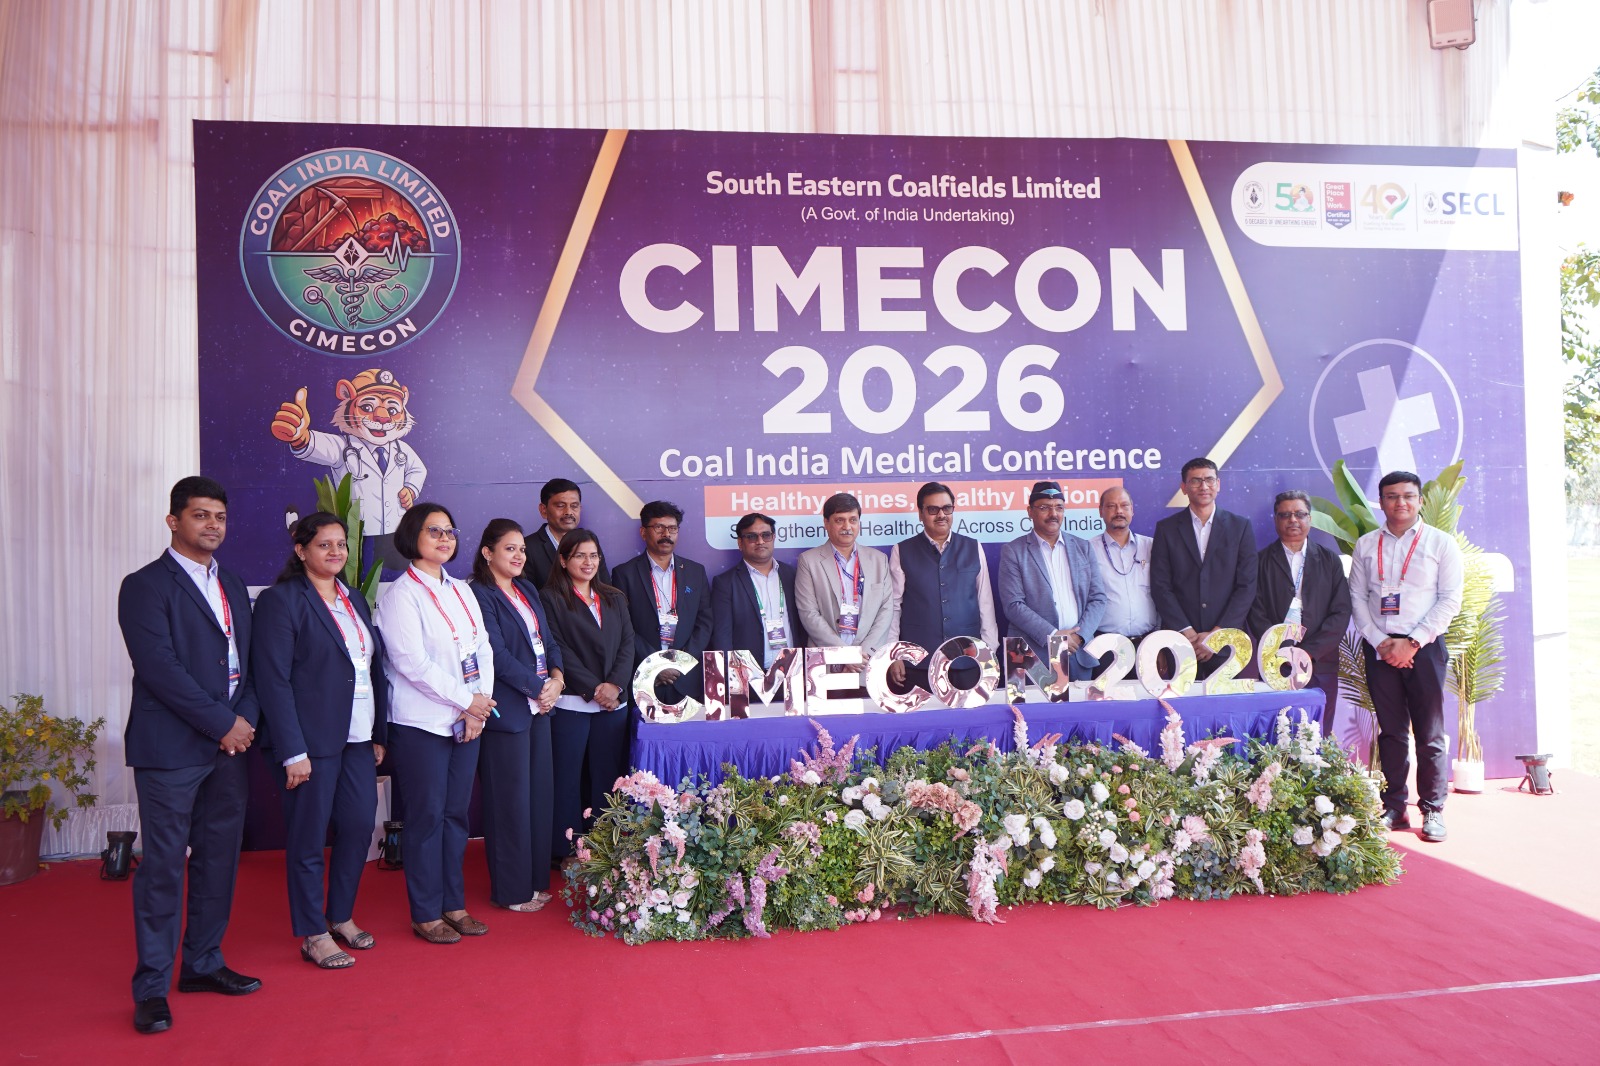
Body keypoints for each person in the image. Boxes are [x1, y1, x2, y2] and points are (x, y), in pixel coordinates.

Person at [118, 476, 261, 1035]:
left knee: (218, 860)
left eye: (220, 516)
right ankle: (151, 987)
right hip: (171, 749)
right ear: (174, 521)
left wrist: (242, 721)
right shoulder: (144, 585)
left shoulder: (233, 582)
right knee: (162, 867)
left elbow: (247, 663)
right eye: (201, 515)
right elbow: (159, 669)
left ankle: (202, 963)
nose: (212, 525)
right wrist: (223, 723)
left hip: (230, 747)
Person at [253, 513, 388, 969]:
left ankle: (340, 916)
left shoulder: (354, 599)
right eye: (324, 544)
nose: (335, 552)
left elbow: (370, 668)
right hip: (310, 742)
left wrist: (378, 733)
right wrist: (292, 750)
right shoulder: (281, 601)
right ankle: (313, 933)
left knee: (359, 826)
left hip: (358, 736)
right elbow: (273, 680)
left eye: (341, 544)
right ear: (301, 550)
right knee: (309, 837)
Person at [374, 503, 497, 944]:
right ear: (412, 536)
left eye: (449, 531)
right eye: (434, 531)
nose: (445, 539)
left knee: (455, 816)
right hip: (421, 724)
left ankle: (453, 904)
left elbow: (483, 648)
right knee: (426, 817)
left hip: (467, 720)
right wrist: (467, 701)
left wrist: (477, 706)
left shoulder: (462, 590)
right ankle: (425, 912)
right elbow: (412, 664)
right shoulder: (400, 596)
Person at [1349, 471, 1463, 842]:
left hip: (1424, 649)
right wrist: (1381, 641)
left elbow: (1450, 600)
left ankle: (1432, 809)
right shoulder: (1366, 545)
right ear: (1381, 501)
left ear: (1420, 501)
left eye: (1408, 496)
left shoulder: (1441, 543)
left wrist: (1411, 642)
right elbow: (1358, 598)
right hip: (1380, 649)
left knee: (1430, 733)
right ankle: (1394, 807)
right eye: (1392, 496)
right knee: (1392, 732)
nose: (1401, 502)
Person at [470, 519, 567, 912]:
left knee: (538, 799)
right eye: (509, 548)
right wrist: (538, 687)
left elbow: (549, 640)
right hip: (508, 711)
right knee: (508, 804)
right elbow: (495, 654)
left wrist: (558, 679)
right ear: (487, 552)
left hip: (540, 709)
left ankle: (534, 882)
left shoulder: (527, 589)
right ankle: (512, 892)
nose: (518, 556)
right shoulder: (479, 594)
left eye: (522, 549)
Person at [541, 529, 633, 859]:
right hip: (572, 703)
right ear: (563, 560)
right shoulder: (549, 598)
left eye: (593, 555)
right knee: (566, 780)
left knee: (609, 779)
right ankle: (567, 850)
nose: (588, 562)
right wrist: (595, 688)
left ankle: (607, 848)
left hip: (612, 705)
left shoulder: (614, 597)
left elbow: (628, 643)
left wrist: (615, 685)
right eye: (579, 555)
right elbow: (557, 648)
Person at [1248, 490, 1352, 734]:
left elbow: (1341, 612)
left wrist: (1308, 652)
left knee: (1318, 732)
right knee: (1277, 733)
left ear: (1310, 519)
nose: (1293, 520)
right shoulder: (1259, 561)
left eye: (1299, 514)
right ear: (1275, 519)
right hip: (1276, 662)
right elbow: (1254, 611)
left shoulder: (1330, 560)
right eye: (1285, 515)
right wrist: (1284, 650)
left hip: (1320, 663)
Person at [1150, 458, 1258, 676]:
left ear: (1218, 484)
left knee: (1227, 699)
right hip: (1181, 642)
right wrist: (1187, 632)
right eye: (1196, 481)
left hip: (1227, 643)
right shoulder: (1166, 529)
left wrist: (1216, 635)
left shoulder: (1240, 527)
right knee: (1179, 699)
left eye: (1209, 480)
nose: (1204, 486)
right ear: (1184, 487)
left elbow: (1246, 586)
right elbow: (1161, 586)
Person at [888, 482, 998, 688]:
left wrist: (989, 649)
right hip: (919, 661)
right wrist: (894, 653)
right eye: (933, 509)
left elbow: (985, 602)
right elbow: (893, 606)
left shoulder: (973, 547)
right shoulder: (901, 551)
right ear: (920, 514)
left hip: (968, 658)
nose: (941, 515)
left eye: (947, 508)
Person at [999, 481, 1108, 679]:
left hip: (1077, 651)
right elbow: (1013, 605)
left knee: (1081, 701)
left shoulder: (1083, 547)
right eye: (1044, 508)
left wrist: (1079, 636)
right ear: (1030, 512)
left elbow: (1098, 598)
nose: (1053, 514)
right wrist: (1053, 636)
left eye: (1059, 507)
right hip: (1034, 655)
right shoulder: (1013, 551)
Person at [612, 501, 712, 701]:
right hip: (645, 676)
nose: (667, 534)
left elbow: (705, 622)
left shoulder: (695, 571)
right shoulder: (624, 574)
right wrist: (656, 664)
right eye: (659, 527)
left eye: (672, 528)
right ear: (643, 532)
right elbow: (623, 626)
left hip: (686, 677)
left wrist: (681, 662)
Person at [795, 493, 896, 650]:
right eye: (839, 520)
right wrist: (845, 654)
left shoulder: (878, 560)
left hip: (868, 656)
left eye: (853, 520)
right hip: (827, 655)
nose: (847, 527)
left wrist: (866, 651)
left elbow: (886, 609)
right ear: (826, 523)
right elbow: (809, 613)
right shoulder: (808, 561)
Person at [710, 512, 808, 667]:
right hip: (749, 672)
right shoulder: (725, 583)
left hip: (793, 669)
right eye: (751, 537)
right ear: (740, 543)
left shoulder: (793, 574)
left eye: (766, 535)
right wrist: (731, 671)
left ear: (773, 538)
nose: (760, 541)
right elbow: (722, 635)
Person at [1090, 486, 1160, 658]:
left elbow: (1163, 593)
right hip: (1105, 648)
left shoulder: (1152, 546)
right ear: (1100, 511)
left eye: (1124, 505)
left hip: (1148, 645)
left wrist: (1159, 641)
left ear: (1132, 510)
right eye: (1111, 506)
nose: (1119, 511)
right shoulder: (1087, 550)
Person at [528, 478, 610, 586]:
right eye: (560, 506)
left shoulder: (590, 544)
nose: (568, 512)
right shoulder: (527, 548)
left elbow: (605, 588)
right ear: (543, 510)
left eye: (574, 506)